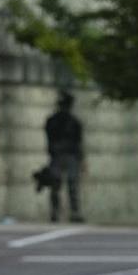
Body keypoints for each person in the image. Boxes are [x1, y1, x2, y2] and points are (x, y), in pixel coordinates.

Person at [43, 91, 84, 224]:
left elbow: (78, 142)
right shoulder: (53, 121)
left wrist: (80, 159)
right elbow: (49, 139)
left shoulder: (74, 122)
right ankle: (56, 212)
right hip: (58, 155)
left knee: (72, 184)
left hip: (70, 155)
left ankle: (74, 212)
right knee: (56, 183)